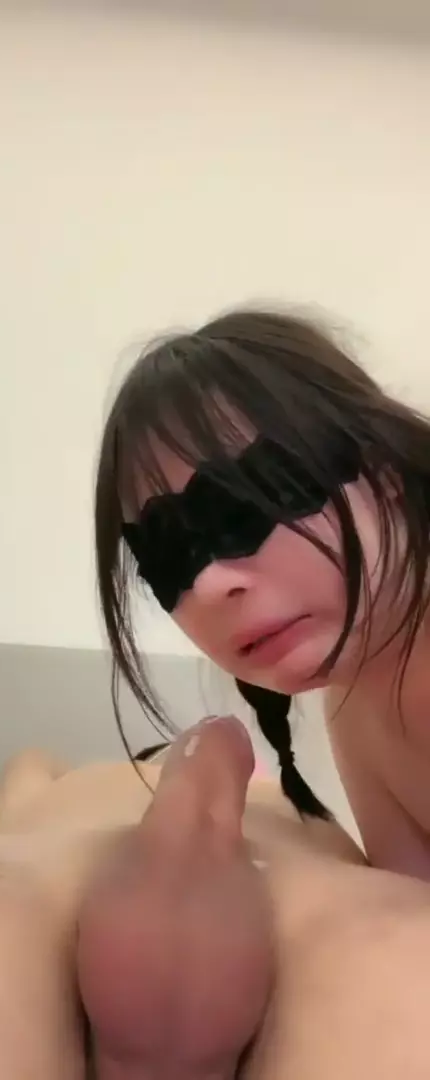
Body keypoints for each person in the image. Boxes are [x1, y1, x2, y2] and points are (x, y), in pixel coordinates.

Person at [0, 719, 430, 1078]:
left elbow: (26, 770)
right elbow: (376, 860)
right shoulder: (295, 802)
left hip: (55, 877)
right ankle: (207, 814)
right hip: (297, 881)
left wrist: (40, 772)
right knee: (338, 893)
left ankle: (181, 815)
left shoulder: (85, 785)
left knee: (16, 868)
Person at [94, 306, 430, 876]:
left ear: (384, 470)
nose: (207, 584)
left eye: (245, 504)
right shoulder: (353, 707)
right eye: (167, 555)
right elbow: (410, 910)